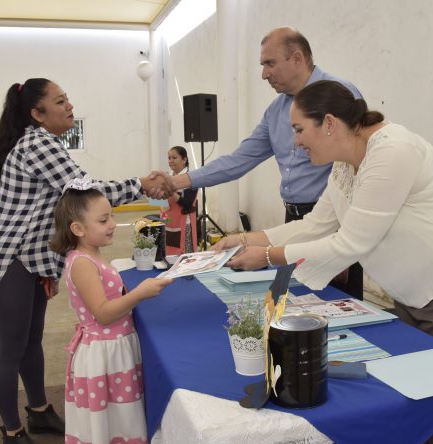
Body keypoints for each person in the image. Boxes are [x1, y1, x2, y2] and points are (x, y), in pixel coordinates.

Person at [213, 80, 433, 444]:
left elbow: (351, 242)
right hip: (420, 286)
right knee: (406, 387)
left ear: (329, 123)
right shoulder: (344, 163)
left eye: (299, 130)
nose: (295, 143)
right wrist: (245, 238)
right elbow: (317, 226)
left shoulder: (393, 151)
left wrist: (266, 256)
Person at [0, 78, 172, 444]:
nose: (69, 107)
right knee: (10, 349)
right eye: (60, 101)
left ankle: (38, 412)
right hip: (9, 261)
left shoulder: (43, 142)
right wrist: (141, 185)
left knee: (31, 341)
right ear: (37, 113)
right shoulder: (38, 143)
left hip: (29, 260)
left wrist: (47, 268)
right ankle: (12, 433)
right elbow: (84, 194)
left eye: (68, 99)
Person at [150, 26, 365, 298]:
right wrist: (175, 181)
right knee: (296, 303)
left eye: (270, 63)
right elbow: (239, 160)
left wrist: (343, 245)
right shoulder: (275, 111)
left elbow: (360, 168)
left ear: (297, 58)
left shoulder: (341, 95)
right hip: (295, 220)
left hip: (335, 223)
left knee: (341, 307)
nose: (264, 73)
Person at [50, 181, 172, 444]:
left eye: (111, 217)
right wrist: (139, 293)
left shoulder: (94, 255)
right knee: (92, 423)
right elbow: (103, 313)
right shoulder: (82, 263)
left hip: (114, 352)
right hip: (99, 355)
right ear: (77, 228)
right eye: (103, 220)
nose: (112, 225)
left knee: (110, 417)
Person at [160, 146, 198, 255]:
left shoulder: (191, 178)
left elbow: (188, 204)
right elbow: (159, 203)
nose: (170, 161)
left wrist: (170, 191)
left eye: (174, 158)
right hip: (168, 223)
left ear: (184, 160)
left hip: (183, 223)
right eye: (169, 158)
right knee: (169, 256)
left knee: (185, 258)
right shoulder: (168, 176)